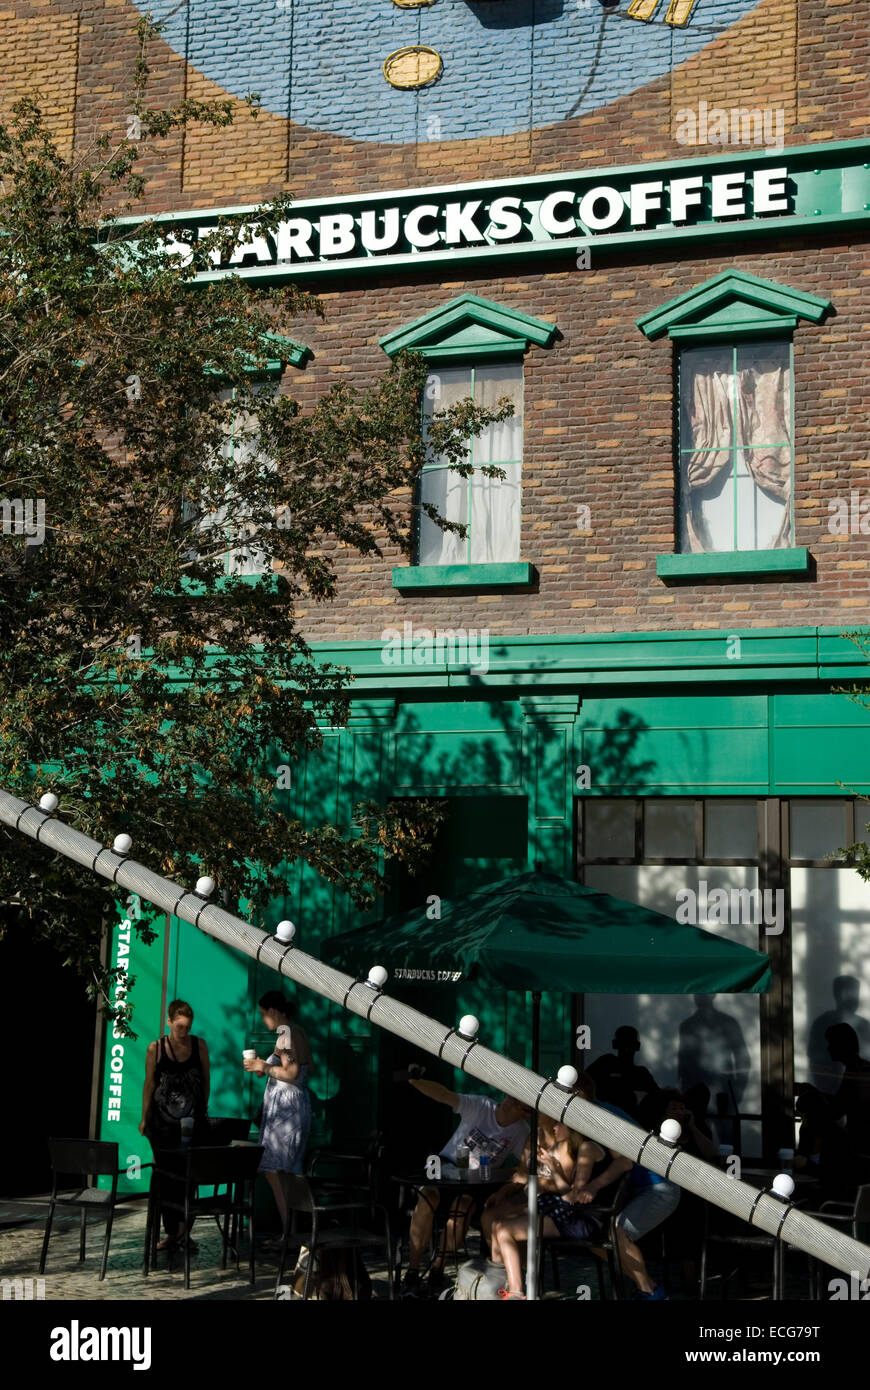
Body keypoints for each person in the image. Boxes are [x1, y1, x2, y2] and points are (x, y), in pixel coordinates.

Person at [401, 1077, 529, 1298]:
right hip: (447, 1167)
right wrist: (416, 1080)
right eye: (510, 1096)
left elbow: (525, 1167)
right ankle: (412, 1272)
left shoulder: (521, 1131)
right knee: (428, 1197)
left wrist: (506, 1175)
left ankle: (437, 1270)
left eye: (518, 1103)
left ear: (525, 1112)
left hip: (477, 1182)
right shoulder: (482, 1106)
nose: (510, 1102)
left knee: (464, 1207)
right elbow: (444, 1095)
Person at [488, 1115, 614, 1299]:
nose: (554, 1128)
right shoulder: (578, 1149)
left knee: (504, 1230)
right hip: (571, 1214)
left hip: (581, 1220)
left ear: (571, 1127)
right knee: (497, 1224)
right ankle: (500, 1287)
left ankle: (515, 1292)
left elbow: (572, 1197)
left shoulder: (587, 1148)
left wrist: (553, 1170)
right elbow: (569, 1195)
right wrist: (553, 1166)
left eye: (558, 1124)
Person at [140, 999, 210, 1252]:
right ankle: (171, 1233)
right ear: (169, 1022)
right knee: (167, 1179)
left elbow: (206, 1081)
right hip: (163, 1125)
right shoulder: (156, 1049)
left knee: (189, 1178)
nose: (184, 1032)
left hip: (191, 1126)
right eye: (179, 1027)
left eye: (187, 1027)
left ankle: (184, 1232)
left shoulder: (198, 1045)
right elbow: (149, 1083)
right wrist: (144, 1116)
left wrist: (200, 1112)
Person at [243, 989, 313, 1238]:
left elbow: (291, 1073)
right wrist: (269, 1067)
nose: (263, 1019)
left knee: (276, 1173)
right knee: (288, 1171)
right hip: (297, 1106)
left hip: (285, 1113)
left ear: (273, 1011)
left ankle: (289, 1234)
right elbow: (306, 1068)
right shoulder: (297, 1031)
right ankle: (293, 1232)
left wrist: (264, 1066)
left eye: (264, 1014)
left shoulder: (285, 1032)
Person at [587, 1025, 659, 1118]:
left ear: (637, 1046)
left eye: (630, 1044)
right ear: (615, 1044)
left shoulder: (642, 1074)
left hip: (633, 1126)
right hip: (603, 1119)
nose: (627, 1048)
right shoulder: (605, 1063)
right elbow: (585, 1085)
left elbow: (657, 1099)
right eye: (623, 1043)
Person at [825, 1023, 870, 1161]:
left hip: (862, 1145)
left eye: (831, 1043)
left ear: (841, 1045)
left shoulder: (857, 1071)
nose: (828, 1048)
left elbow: (837, 1109)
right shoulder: (857, 1068)